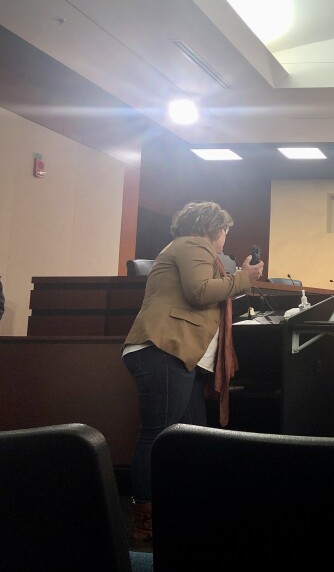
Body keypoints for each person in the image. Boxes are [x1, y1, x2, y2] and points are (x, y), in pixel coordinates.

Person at [121, 201, 263, 551]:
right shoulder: (192, 245)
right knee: (158, 437)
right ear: (212, 227)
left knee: (189, 439)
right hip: (163, 350)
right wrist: (244, 278)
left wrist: (238, 280)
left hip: (177, 356)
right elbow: (199, 292)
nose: (226, 238)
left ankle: (185, 511)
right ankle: (144, 521)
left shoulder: (193, 251)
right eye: (226, 231)